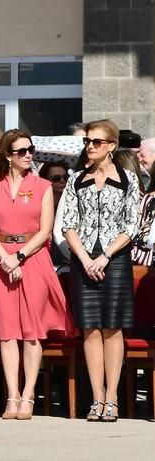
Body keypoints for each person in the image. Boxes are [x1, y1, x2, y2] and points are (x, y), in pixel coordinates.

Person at [0, 129, 75, 421]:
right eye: (21, 151)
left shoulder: (43, 186)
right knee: (7, 334)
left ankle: (29, 394)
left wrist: (18, 256)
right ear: (8, 155)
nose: (28, 154)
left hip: (33, 259)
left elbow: (45, 230)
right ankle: (12, 396)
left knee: (31, 332)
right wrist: (5, 258)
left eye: (30, 149)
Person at [61, 119, 141, 422]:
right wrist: (84, 257)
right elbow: (68, 222)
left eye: (96, 142)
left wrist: (105, 256)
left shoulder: (128, 179)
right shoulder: (75, 179)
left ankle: (112, 398)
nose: (90, 147)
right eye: (87, 142)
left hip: (115, 258)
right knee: (90, 328)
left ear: (111, 146)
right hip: (83, 260)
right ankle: (96, 397)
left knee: (113, 328)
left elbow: (131, 225)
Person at [38, 161, 71, 268]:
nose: (62, 181)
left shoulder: (71, 204)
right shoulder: (38, 206)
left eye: (65, 177)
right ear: (44, 180)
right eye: (56, 178)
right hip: (46, 260)